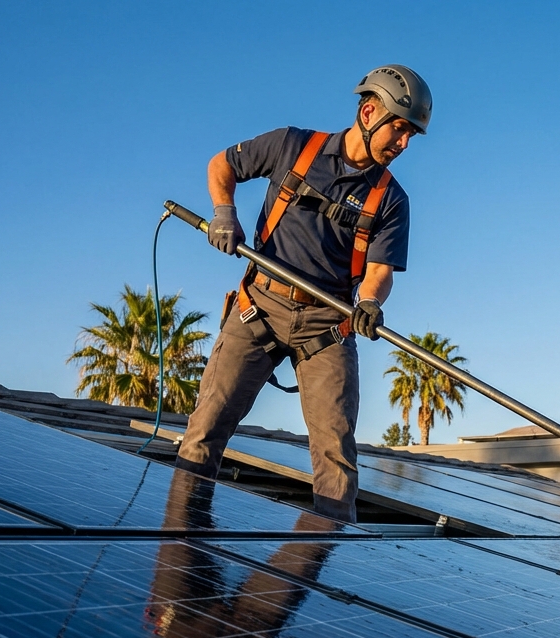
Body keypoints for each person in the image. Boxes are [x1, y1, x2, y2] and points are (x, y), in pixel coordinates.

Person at [174, 64, 432, 522]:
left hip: (328, 328)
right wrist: (223, 213)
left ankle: (320, 586)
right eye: (399, 128)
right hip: (258, 309)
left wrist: (370, 302)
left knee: (336, 460)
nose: (404, 143)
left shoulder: (392, 200)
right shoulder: (293, 145)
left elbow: (379, 271)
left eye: (412, 135)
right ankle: (179, 563)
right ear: (369, 112)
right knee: (205, 431)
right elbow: (222, 165)